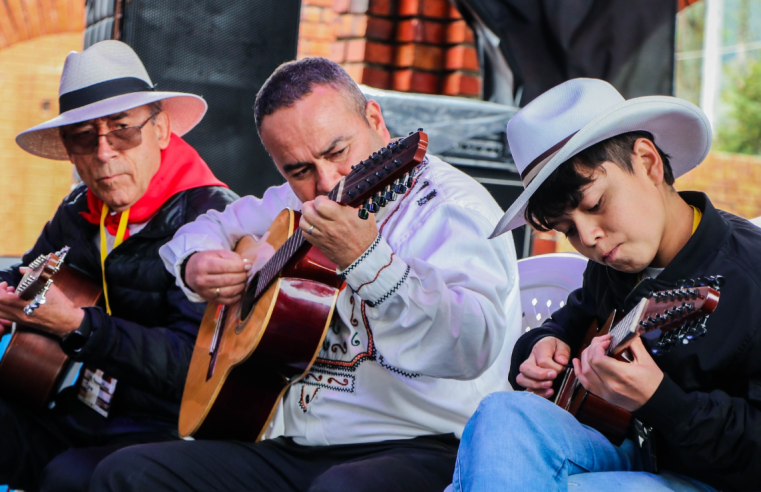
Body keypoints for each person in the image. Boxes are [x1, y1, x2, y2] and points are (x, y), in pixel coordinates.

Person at [88, 57, 523, 492]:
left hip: (426, 447)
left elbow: (472, 344)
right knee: (126, 473)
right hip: (295, 448)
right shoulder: (299, 200)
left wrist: (366, 258)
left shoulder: (452, 208)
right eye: (299, 170)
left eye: (338, 152)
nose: (327, 181)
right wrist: (196, 262)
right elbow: (213, 225)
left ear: (374, 118)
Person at [451, 78, 761, 491]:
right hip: (624, 447)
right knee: (500, 414)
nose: (589, 239)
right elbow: (571, 319)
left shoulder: (749, 276)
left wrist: (661, 400)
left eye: (595, 205)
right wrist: (541, 347)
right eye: (568, 230)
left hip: (712, 477)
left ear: (648, 162)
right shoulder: (614, 264)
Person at [0, 40, 237, 491]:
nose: (104, 153)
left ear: (162, 129)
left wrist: (79, 326)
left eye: (122, 130)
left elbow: (196, 368)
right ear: (70, 151)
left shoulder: (212, 219)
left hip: (165, 432)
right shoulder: (79, 209)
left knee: (68, 476)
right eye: (85, 137)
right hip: (74, 404)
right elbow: (29, 276)